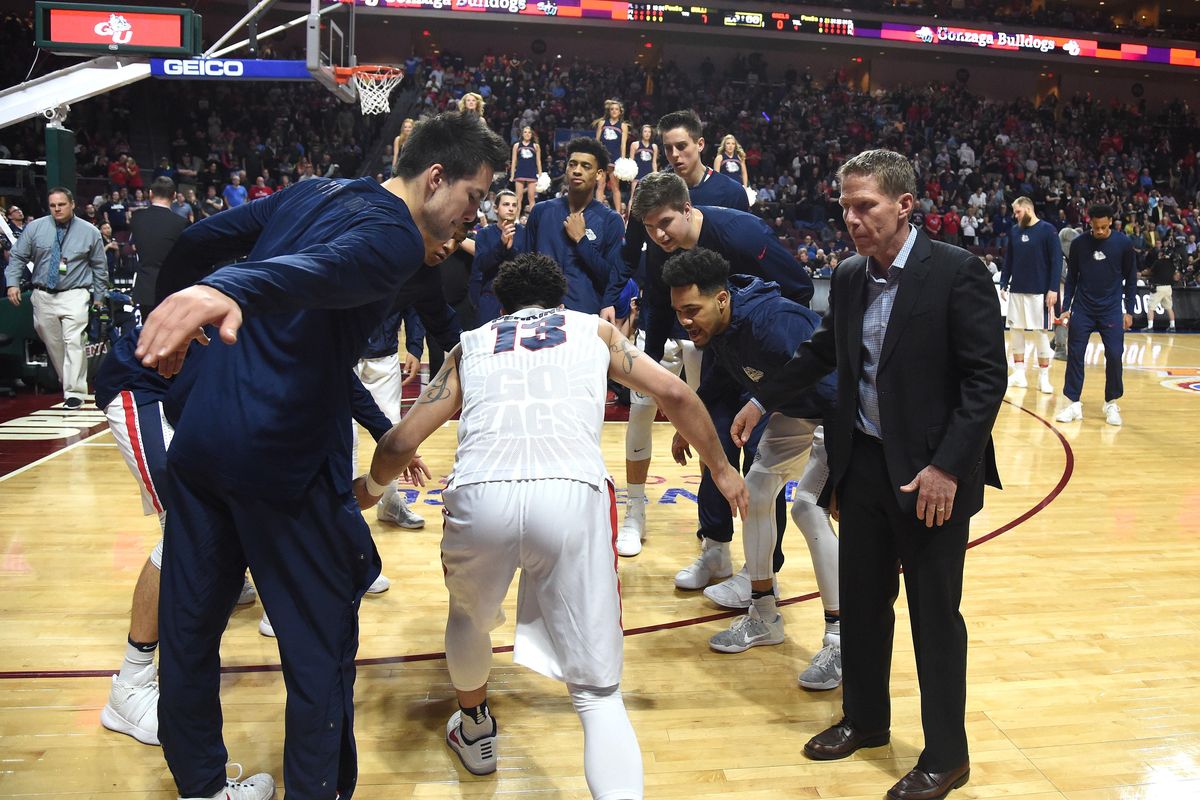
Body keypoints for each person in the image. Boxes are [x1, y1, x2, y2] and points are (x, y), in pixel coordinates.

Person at [132, 112, 508, 800]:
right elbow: (324, 270)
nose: (473, 215)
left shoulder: (313, 190)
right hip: (281, 452)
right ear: (434, 177)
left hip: (206, 434)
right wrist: (227, 289)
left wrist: (183, 303)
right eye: (475, 196)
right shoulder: (397, 235)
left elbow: (199, 238)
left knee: (190, 631)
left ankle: (203, 788)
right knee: (320, 649)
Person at [356, 252, 749, 799]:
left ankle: (475, 731)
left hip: (479, 493)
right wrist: (723, 469)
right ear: (560, 301)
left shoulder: (470, 345)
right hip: (571, 493)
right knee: (596, 694)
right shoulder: (594, 330)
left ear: (501, 305)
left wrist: (370, 492)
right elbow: (677, 393)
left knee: (468, 617)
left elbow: (399, 441)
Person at [737, 149, 1006, 800]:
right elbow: (823, 350)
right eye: (845, 207)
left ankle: (947, 755)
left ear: (904, 206)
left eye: (866, 206)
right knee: (862, 606)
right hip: (863, 469)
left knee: (934, 618)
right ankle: (865, 720)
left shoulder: (957, 273)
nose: (852, 219)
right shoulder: (853, 275)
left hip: (931, 482)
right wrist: (763, 396)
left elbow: (985, 380)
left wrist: (947, 467)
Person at [661, 247, 842, 690]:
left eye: (691, 310)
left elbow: (837, 384)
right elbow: (722, 381)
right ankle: (763, 613)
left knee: (807, 507)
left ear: (721, 298)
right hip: (794, 407)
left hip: (837, 409)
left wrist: (841, 471)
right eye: (678, 311)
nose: (685, 321)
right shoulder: (721, 328)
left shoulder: (773, 323)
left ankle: (842, 637)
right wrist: (690, 425)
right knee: (756, 489)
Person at [628, 171, 813, 601]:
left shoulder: (740, 232)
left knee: (761, 464)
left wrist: (768, 342)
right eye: (649, 227)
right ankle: (715, 550)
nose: (657, 235)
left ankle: (761, 571)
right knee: (710, 443)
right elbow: (657, 306)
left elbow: (800, 287)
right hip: (719, 351)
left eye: (665, 223)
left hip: (766, 354)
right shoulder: (661, 249)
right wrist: (652, 371)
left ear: (688, 209)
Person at [608, 109, 749, 558]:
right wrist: (615, 298)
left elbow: (740, 261)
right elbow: (629, 254)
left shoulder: (728, 193)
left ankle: (713, 539)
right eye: (667, 148)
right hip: (657, 323)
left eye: (681, 146)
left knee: (708, 427)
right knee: (639, 413)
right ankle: (634, 515)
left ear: (701, 144)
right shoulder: (652, 193)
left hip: (710, 334)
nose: (674, 154)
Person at [5, 187, 108, 410]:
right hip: (42, 294)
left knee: (74, 341)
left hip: (75, 292)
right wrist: (12, 283)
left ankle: (74, 393)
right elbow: (17, 256)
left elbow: (100, 267)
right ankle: (68, 381)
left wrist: (99, 297)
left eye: (61, 204)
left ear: (72, 204)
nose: (57, 209)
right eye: (53, 205)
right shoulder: (35, 228)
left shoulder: (90, 232)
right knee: (53, 343)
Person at [514, 137, 623, 315]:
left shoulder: (611, 220)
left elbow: (612, 277)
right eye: (572, 164)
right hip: (540, 314)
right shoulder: (540, 212)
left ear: (599, 174)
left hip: (585, 316)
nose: (577, 171)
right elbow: (522, 266)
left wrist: (582, 241)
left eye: (586, 166)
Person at [1055, 204, 1138, 427]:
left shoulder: (1123, 244)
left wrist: (1129, 310)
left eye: (1103, 226)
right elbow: (1071, 278)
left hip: (1111, 309)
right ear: (1089, 222)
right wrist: (1066, 307)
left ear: (1111, 221)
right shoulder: (1079, 244)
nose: (1100, 231)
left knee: (1114, 354)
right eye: (1096, 227)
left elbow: (1131, 279)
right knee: (1074, 354)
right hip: (1083, 308)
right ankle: (1073, 403)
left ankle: (1111, 402)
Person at [1000, 197, 1062, 394]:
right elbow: (1009, 259)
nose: (1015, 215)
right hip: (1017, 289)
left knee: (1040, 333)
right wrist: (1003, 282)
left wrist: (1053, 289)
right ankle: (1019, 374)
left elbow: (1056, 261)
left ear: (1028, 209)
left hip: (1040, 292)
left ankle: (1044, 377)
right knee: (1015, 330)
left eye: (1018, 212)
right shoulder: (1015, 230)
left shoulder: (1048, 230)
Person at [130, 177, 190, 318]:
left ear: (150, 194)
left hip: (145, 289)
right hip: (172, 289)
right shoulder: (181, 223)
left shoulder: (136, 218)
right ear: (174, 196)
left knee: (148, 336)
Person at [463, 189, 521, 323]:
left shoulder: (524, 233)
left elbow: (525, 265)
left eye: (514, 205)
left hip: (518, 300)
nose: (511, 209)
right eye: (506, 204)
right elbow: (481, 265)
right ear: (495, 208)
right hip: (489, 299)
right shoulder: (484, 234)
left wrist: (510, 249)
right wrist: (501, 244)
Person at [594, 99, 629, 212]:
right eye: (612, 109)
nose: (614, 111)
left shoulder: (623, 126)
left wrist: (622, 160)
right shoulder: (602, 123)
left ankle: (618, 213)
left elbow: (623, 144)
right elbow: (597, 142)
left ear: (620, 112)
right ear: (609, 111)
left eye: (616, 109)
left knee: (615, 187)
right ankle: (598, 211)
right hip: (603, 158)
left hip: (615, 159)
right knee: (600, 185)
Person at [1142, 239, 1180, 332]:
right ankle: (1172, 326)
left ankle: (1150, 327)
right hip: (1168, 288)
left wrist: (1143, 273)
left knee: (1151, 307)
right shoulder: (1172, 264)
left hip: (1158, 287)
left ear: (1162, 254)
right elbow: (1176, 276)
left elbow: (1150, 272)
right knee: (1169, 308)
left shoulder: (1158, 262)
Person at [509, 126, 541, 219]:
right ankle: (516, 219)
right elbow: (514, 161)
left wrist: (540, 174)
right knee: (518, 198)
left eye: (529, 132)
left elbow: (538, 161)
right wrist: (512, 175)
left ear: (532, 135)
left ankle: (532, 219)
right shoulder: (516, 145)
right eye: (525, 132)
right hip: (520, 173)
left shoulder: (535, 146)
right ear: (522, 134)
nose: (527, 134)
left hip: (531, 173)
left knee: (531, 198)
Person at [628, 123, 658, 198]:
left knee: (649, 197)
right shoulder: (635, 144)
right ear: (641, 133)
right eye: (645, 131)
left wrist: (655, 174)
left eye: (649, 132)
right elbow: (631, 161)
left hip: (649, 174)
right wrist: (630, 175)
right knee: (634, 196)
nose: (647, 134)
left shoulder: (654, 146)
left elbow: (654, 162)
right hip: (637, 174)